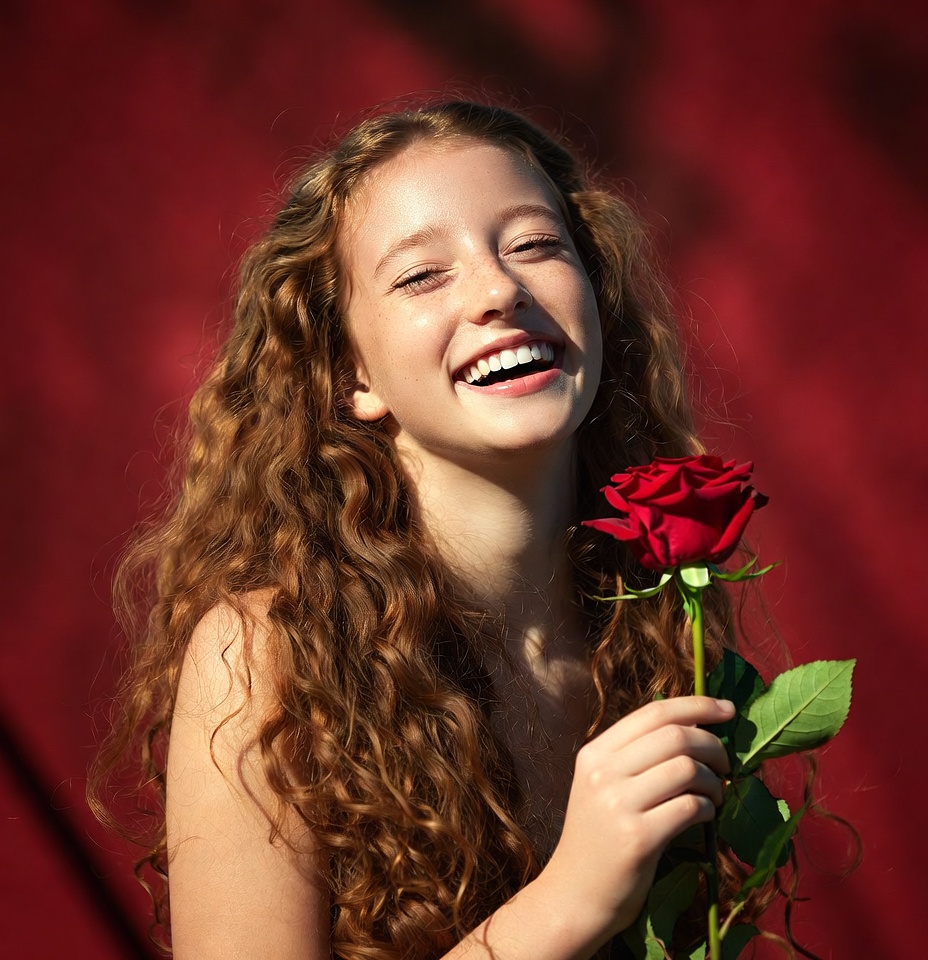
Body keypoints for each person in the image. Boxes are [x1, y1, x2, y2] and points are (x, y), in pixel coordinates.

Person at [94, 100, 751, 960]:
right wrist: (566, 903)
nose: (499, 289)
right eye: (421, 275)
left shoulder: (652, 622)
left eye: (534, 245)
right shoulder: (265, 657)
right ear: (350, 374)